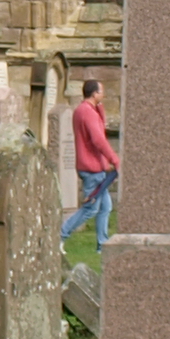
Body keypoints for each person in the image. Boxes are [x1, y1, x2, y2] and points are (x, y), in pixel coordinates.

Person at [63, 78, 118, 250]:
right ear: (94, 93)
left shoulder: (87, 110)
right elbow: (98, 139)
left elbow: (101, 127)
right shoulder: (87, 112)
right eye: (101, 91)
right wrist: (115, 159)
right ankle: (60, 235)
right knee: (90, 209)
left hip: (94, 167)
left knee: (105, 207)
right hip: (91, 168)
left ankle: (102, 244)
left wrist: (100, 109)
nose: (104, 94)